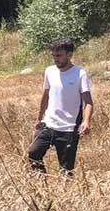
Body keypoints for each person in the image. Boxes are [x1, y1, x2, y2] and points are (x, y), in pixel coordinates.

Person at [27, 39, 93, 175]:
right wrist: (39, 118)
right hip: (48, 124)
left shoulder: (80, 74)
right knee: (33, 153)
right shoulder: (49, 71)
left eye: (59, 55)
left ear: (69, 55)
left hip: (68, 128)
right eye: (53, 56)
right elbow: (45, 96)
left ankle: (65, 193)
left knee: (66, 170)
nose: (55, 59)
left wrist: (86, 121)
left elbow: (88, 101)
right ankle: (41, 185)